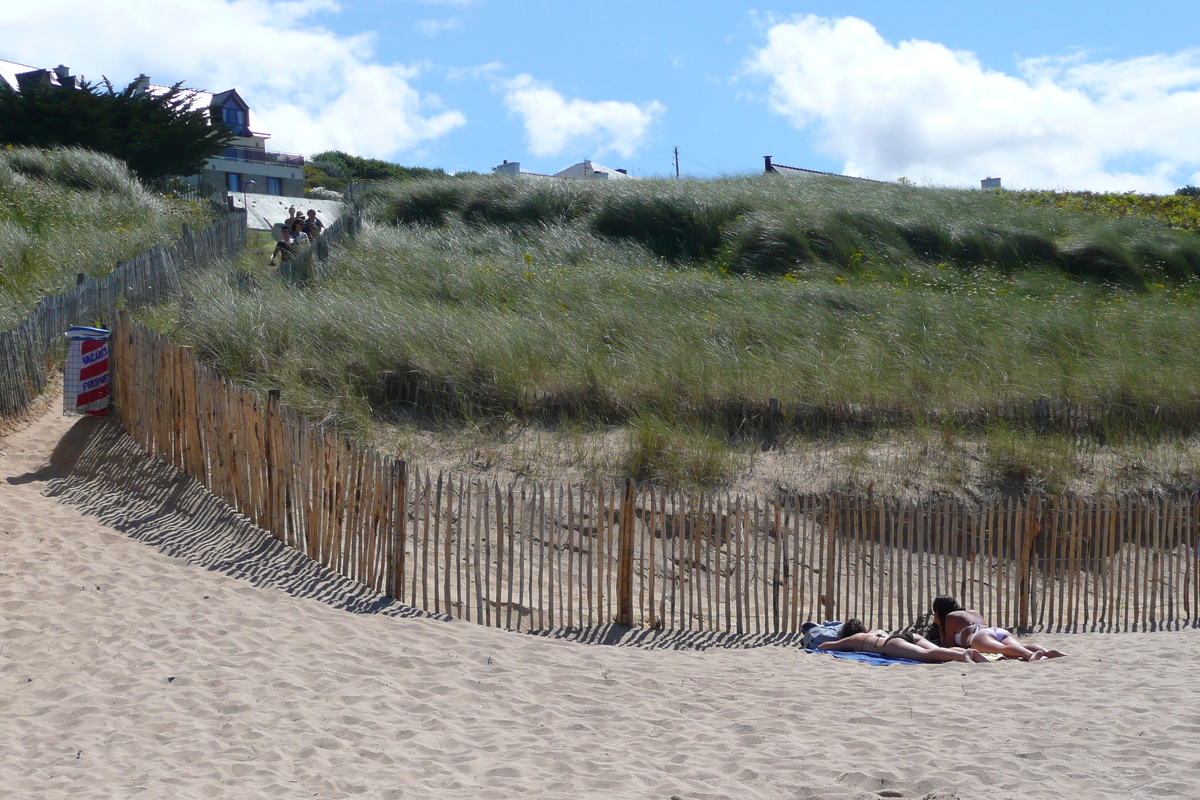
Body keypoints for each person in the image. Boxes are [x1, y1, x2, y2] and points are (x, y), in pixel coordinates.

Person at [932, 596, 1066, 661]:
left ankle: (1030, 655)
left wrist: (940, 627)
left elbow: (948, 647)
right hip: (996, 631)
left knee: (1004, 649)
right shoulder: (972, 612)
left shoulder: (951, 617)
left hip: (978, 637)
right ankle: (1047, 652)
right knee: (1021, 645)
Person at [818, 619, 988, 664]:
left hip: (890, 645)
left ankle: (963, 655)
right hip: (907, 635)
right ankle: (971, 654)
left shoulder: (854, 639)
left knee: (927, 655)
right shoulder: (877, 631)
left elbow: (825, 646)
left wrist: (842, 642)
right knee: (935, 649)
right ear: (864, 629)